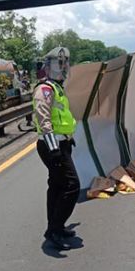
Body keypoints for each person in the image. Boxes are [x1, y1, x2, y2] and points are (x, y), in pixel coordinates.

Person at [33, 47, 80, 251]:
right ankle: (54, 229)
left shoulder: (57, 88)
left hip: (61, 143)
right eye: (59, 64)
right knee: (71, 185)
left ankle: (56, 228)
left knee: (57, 186)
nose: (63, 68)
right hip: (51, 145)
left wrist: (67, 139)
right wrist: (55, 147)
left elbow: (60, 117)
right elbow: (43, 117)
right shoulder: (45, 89)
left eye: (65, 63)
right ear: (48, 66)